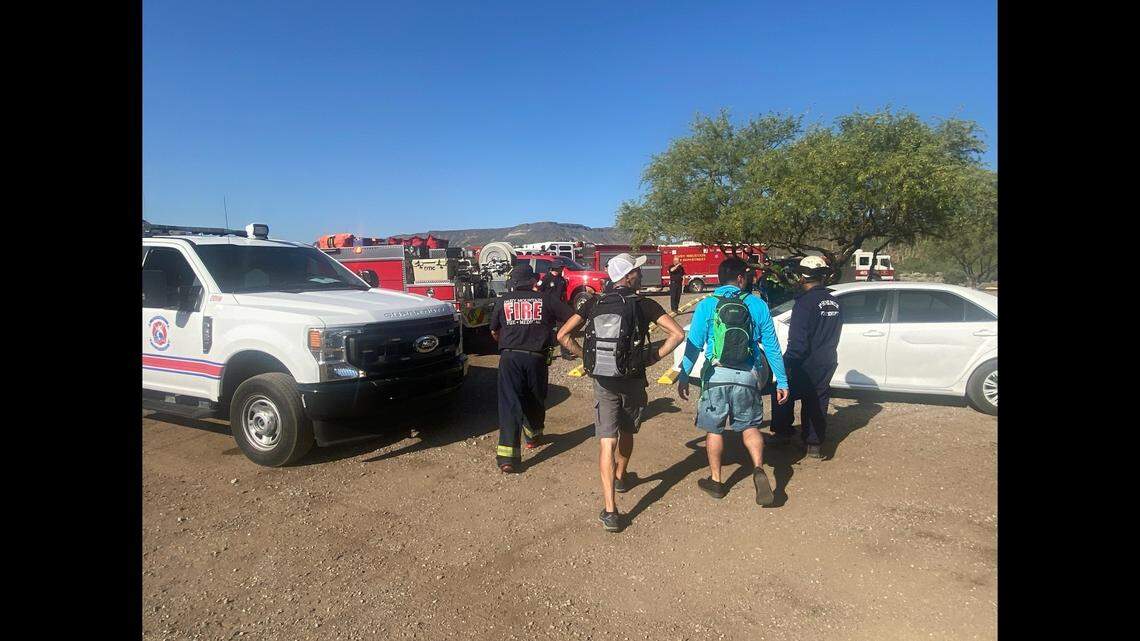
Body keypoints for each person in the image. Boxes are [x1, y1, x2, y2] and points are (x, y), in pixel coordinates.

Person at [556, 253, 686, 532]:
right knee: (627, 432)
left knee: (606, 441)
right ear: (627, 276)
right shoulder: (643, 304)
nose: (639, 274)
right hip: (633, 378)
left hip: (602, 379)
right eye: (636, 271)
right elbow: (677, 334)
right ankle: (621, 475)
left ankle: (611, 510)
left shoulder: (594, 302)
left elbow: (562, 336)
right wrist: (652, 358)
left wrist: (585, 360)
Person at [677, 257, 789, 505]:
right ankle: (759, 468)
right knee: (750, 427)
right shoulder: (757, 305)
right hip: (748, 376)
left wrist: (684, 374)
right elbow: (771, 346)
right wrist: (782, 380)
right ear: (740, 278)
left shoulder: (707, 305)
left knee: (714, 430)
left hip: (716, 376)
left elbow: (693, 344)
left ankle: (716, 481)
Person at [489, 264, 575, 473]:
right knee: (535, 397)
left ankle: (507, 458)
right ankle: (533, 435)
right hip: (536, 358)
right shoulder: (546, 299)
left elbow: (494, 331)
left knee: (510, 403)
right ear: (532, 281)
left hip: (509, 357)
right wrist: (560, 335)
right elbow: (574, 316)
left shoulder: (503, 301)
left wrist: (508, 341)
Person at [768, 256, 843, 459]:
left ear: (802, 276)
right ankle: (814, 444)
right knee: (817, 399)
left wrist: (785, 363)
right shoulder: (835, 302)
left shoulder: (804, 303)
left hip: (804, 362)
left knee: (783, 393)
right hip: (827, 360)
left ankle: (783, 433)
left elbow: (798, 343)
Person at [538, 263, 572, 357]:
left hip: (559, 308)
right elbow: (537, 291)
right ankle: (547, 354)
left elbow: (564, 294)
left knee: (563, 330)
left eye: (561, 268)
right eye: (560, 268)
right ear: (554, 268)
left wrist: (565, 306)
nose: (561, 270)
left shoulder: (561, 280)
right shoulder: (545, 279)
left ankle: (565, 353)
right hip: (547, 308)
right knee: (547, 332)